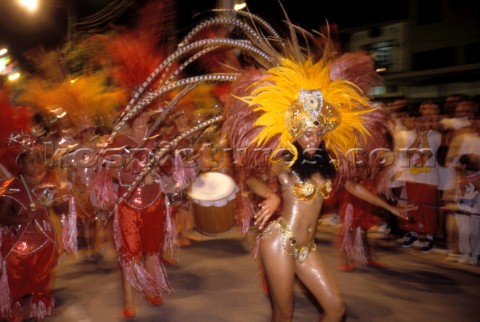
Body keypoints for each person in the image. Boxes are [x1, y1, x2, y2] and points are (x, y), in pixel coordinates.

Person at [222, 38, 413, 321]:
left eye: (318, 131)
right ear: (295, 132)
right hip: (281, 240)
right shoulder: (285, 159)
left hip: (306, 247)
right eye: (306, 132)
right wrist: (272, 196)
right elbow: (251, 179)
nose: (312, 137)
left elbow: (353, 186)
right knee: (283, 315)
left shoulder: (329, 163)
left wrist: (391, 209)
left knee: (336, 310)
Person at [107, 110, 173, 319]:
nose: (143, 119)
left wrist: (160, 166)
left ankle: (150, 289)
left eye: (147, 115)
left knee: (152, 250)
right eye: (139, 115)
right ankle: (128, 299)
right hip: (128, 204)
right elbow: (111, 172)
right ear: (131, 116)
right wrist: (132, 176)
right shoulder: (119, 141)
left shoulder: (157, 140)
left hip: (154, 202)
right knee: (130, 253)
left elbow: (168, 168)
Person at [0, 148, 61, 321]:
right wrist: (22, 218)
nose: (37, 165)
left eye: (39, 160)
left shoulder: (47, 184)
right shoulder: (10, 187)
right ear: (20, 164)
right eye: (31, 161)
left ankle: (38, 308)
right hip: (18, 246)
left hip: (44, 242)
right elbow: (1, 216)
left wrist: (64, 198)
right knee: (16, 283)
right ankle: (14, 309)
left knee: (41, 281)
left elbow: (56, 208)